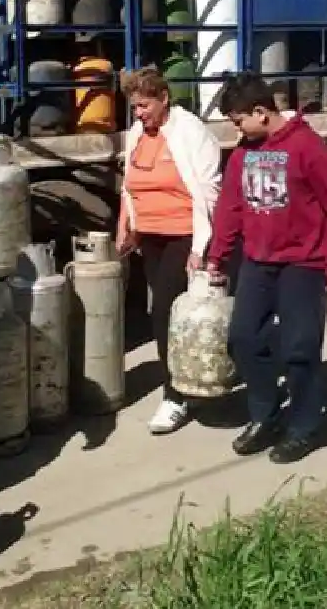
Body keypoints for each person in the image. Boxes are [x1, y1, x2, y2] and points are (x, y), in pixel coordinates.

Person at [205, 72, 327, 465]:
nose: (237, 128)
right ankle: (265, 416)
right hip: (257, 262)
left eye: (239, 121)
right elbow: (230, 208)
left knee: (298, 349)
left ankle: (304, 426)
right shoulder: (242, 154)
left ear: (261, 112)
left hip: (302, 264)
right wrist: (217, 255)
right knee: (243, 340)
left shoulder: (307, 147)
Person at [116, 66, 222, 436]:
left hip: (183, 233)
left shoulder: (189, 130)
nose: (140, 114)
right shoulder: (135, 135)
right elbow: (129, 187)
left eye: (145, 105)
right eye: (134, 108)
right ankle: (186, 378)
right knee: (160, 310)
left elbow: (208, 190)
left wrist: (201, 248)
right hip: (151, 236)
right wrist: (125, 228)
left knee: (164, 310)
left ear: (164, 99)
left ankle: (174, 395)